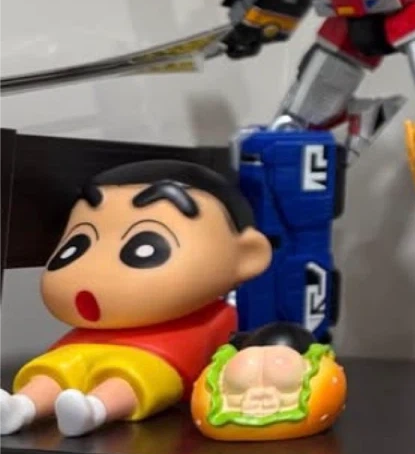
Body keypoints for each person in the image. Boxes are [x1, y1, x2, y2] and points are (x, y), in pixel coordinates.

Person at [0, 160, 271, 437]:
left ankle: (95, 410)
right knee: (55, 371)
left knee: (127, 376)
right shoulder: (86, 332)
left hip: (160, 359)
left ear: (247, 256)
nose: (97, 267)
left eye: (145, 249)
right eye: (76, 246)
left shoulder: (216, 317)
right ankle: (21, 406)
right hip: (83, 346)